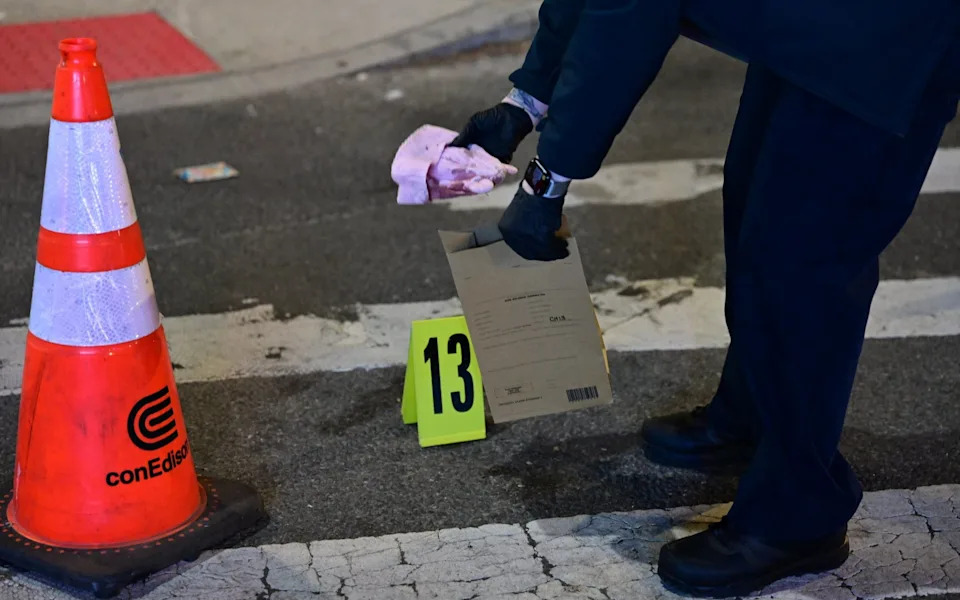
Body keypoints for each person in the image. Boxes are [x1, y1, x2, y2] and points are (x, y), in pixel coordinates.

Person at [449, 0, 960, 596]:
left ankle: (797, 516)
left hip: (888, 37)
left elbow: (630, 10)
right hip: (814, 25)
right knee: (755, 215)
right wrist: (526, 101)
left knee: (801, 267)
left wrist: (548, 180)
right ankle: (752, 416)